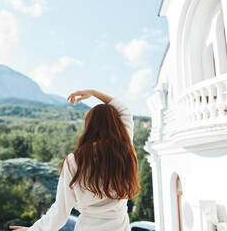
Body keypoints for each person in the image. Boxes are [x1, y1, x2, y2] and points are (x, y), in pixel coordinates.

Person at [10, 90, 139, 231]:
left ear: (89, 126)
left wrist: (32, 230)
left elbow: (60, 210)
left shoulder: (75, 160)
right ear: (117, 126)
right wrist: (93, 93)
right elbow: (124, 110)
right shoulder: (124, 149)